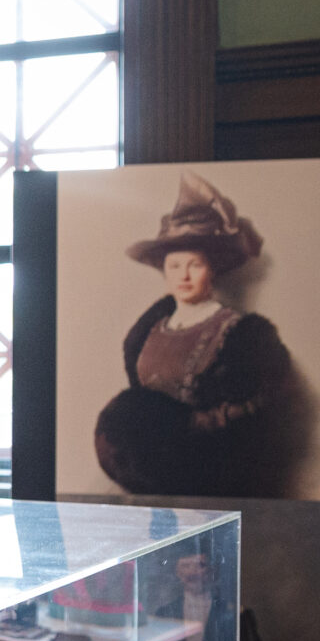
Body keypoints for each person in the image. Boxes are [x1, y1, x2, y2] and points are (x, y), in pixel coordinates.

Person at [95, 172, 311, 499]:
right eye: (174, 266)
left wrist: (192, 431)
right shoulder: (148, 332)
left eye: (194, 265)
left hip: (210, 480)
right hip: (149, 483)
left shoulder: (237, 333)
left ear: (213, 270)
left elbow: (251, 413)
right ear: (164, 273)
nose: (184, 275)